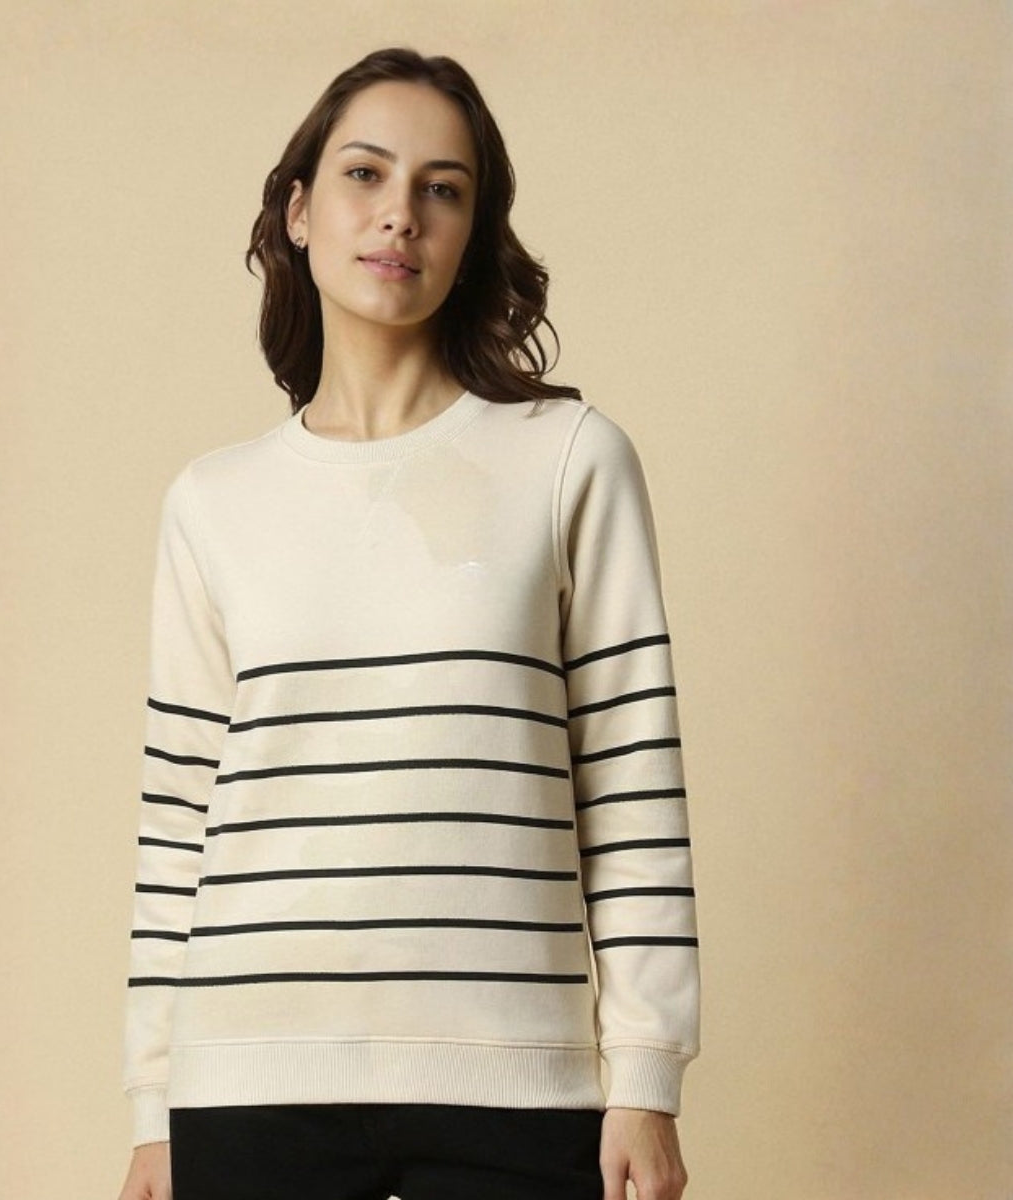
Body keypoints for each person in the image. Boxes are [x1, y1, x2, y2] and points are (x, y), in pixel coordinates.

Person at [117, 47, 699, 1200]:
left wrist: (646, 1077)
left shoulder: (570, 460)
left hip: (513, 1084)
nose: (400, 214)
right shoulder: (214, 501)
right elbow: (179, 816)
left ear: (474, 231)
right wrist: (152, 1106)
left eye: (443, 188)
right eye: (365, 174)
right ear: (298, 211)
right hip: (247, 1078)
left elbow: (631, 783)